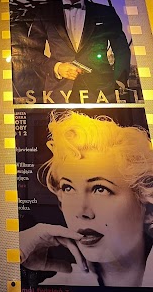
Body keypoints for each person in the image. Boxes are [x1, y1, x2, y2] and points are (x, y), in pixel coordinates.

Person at [20, 111, 153, 287]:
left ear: (148, 209)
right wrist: (17, 254)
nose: (81, 211)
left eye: (100, 189)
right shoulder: (57, 284)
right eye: (68, 188)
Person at [25, 0, 130, 103]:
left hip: (102, 90)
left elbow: (121, 49)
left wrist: (120, 81)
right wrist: (57, 67)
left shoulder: (105, 12)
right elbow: (31, 51)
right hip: (58, 91)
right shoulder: (44, 13)